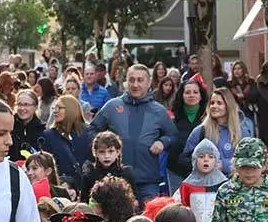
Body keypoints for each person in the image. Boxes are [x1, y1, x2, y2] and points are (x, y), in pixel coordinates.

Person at [90, 65, 178, 204]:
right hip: (116, 180)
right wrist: (103, 147)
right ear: (126, 82)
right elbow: (92, 130)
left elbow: (173, 136)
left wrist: (163, 142)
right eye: (131, 80)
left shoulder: (159, 110)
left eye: (140, 80)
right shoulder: (112, 106)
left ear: (149, 83)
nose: (135, 84)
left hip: (148, 180)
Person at [180, 88, 255, 177]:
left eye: (219, 103)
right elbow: (185, 160)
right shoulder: (200, 131)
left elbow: (250, 160)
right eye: (212, 103)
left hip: (236, 185)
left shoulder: (243, 131)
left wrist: (224, 165)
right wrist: (203, 164)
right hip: (208, 184)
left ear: (228, 106)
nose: (214, 106)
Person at [167, 80, 207, 192]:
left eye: (195, 92)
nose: (192, 95)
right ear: (182, 95)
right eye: (188, 92)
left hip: (202, 172)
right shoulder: (172, 118)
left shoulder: (208, 118)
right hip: (176, 171)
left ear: (201, 95)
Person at [40, 95, 92, 181]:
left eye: (59, 108)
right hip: (62, 187)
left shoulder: (90, 133)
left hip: (87, 186)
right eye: (54, 108)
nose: (55, 111)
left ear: (71, 109)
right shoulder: (48, 136)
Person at [79, 131, 136, 201]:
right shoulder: (89, 174)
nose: (106, 156)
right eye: (102, 152)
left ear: (118, 152)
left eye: (111, 151)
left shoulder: (125, 173)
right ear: (95, 153)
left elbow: (134, 201)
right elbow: (84, 202)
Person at [10, 90, 44, 163]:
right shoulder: (9, 126)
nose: (22, 108)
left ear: (35, 107)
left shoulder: (42, 130)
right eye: (19, 104)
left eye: (26, 105)